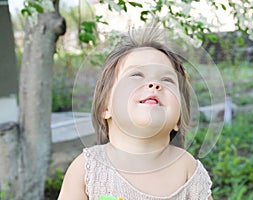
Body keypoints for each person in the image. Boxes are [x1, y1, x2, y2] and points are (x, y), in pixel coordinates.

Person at [58, 25, 213, 200]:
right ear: (105, 107)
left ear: (178, 118)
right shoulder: (87, 170)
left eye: (167, 79)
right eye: (137, 75)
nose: (154, 85)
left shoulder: (188, 170)